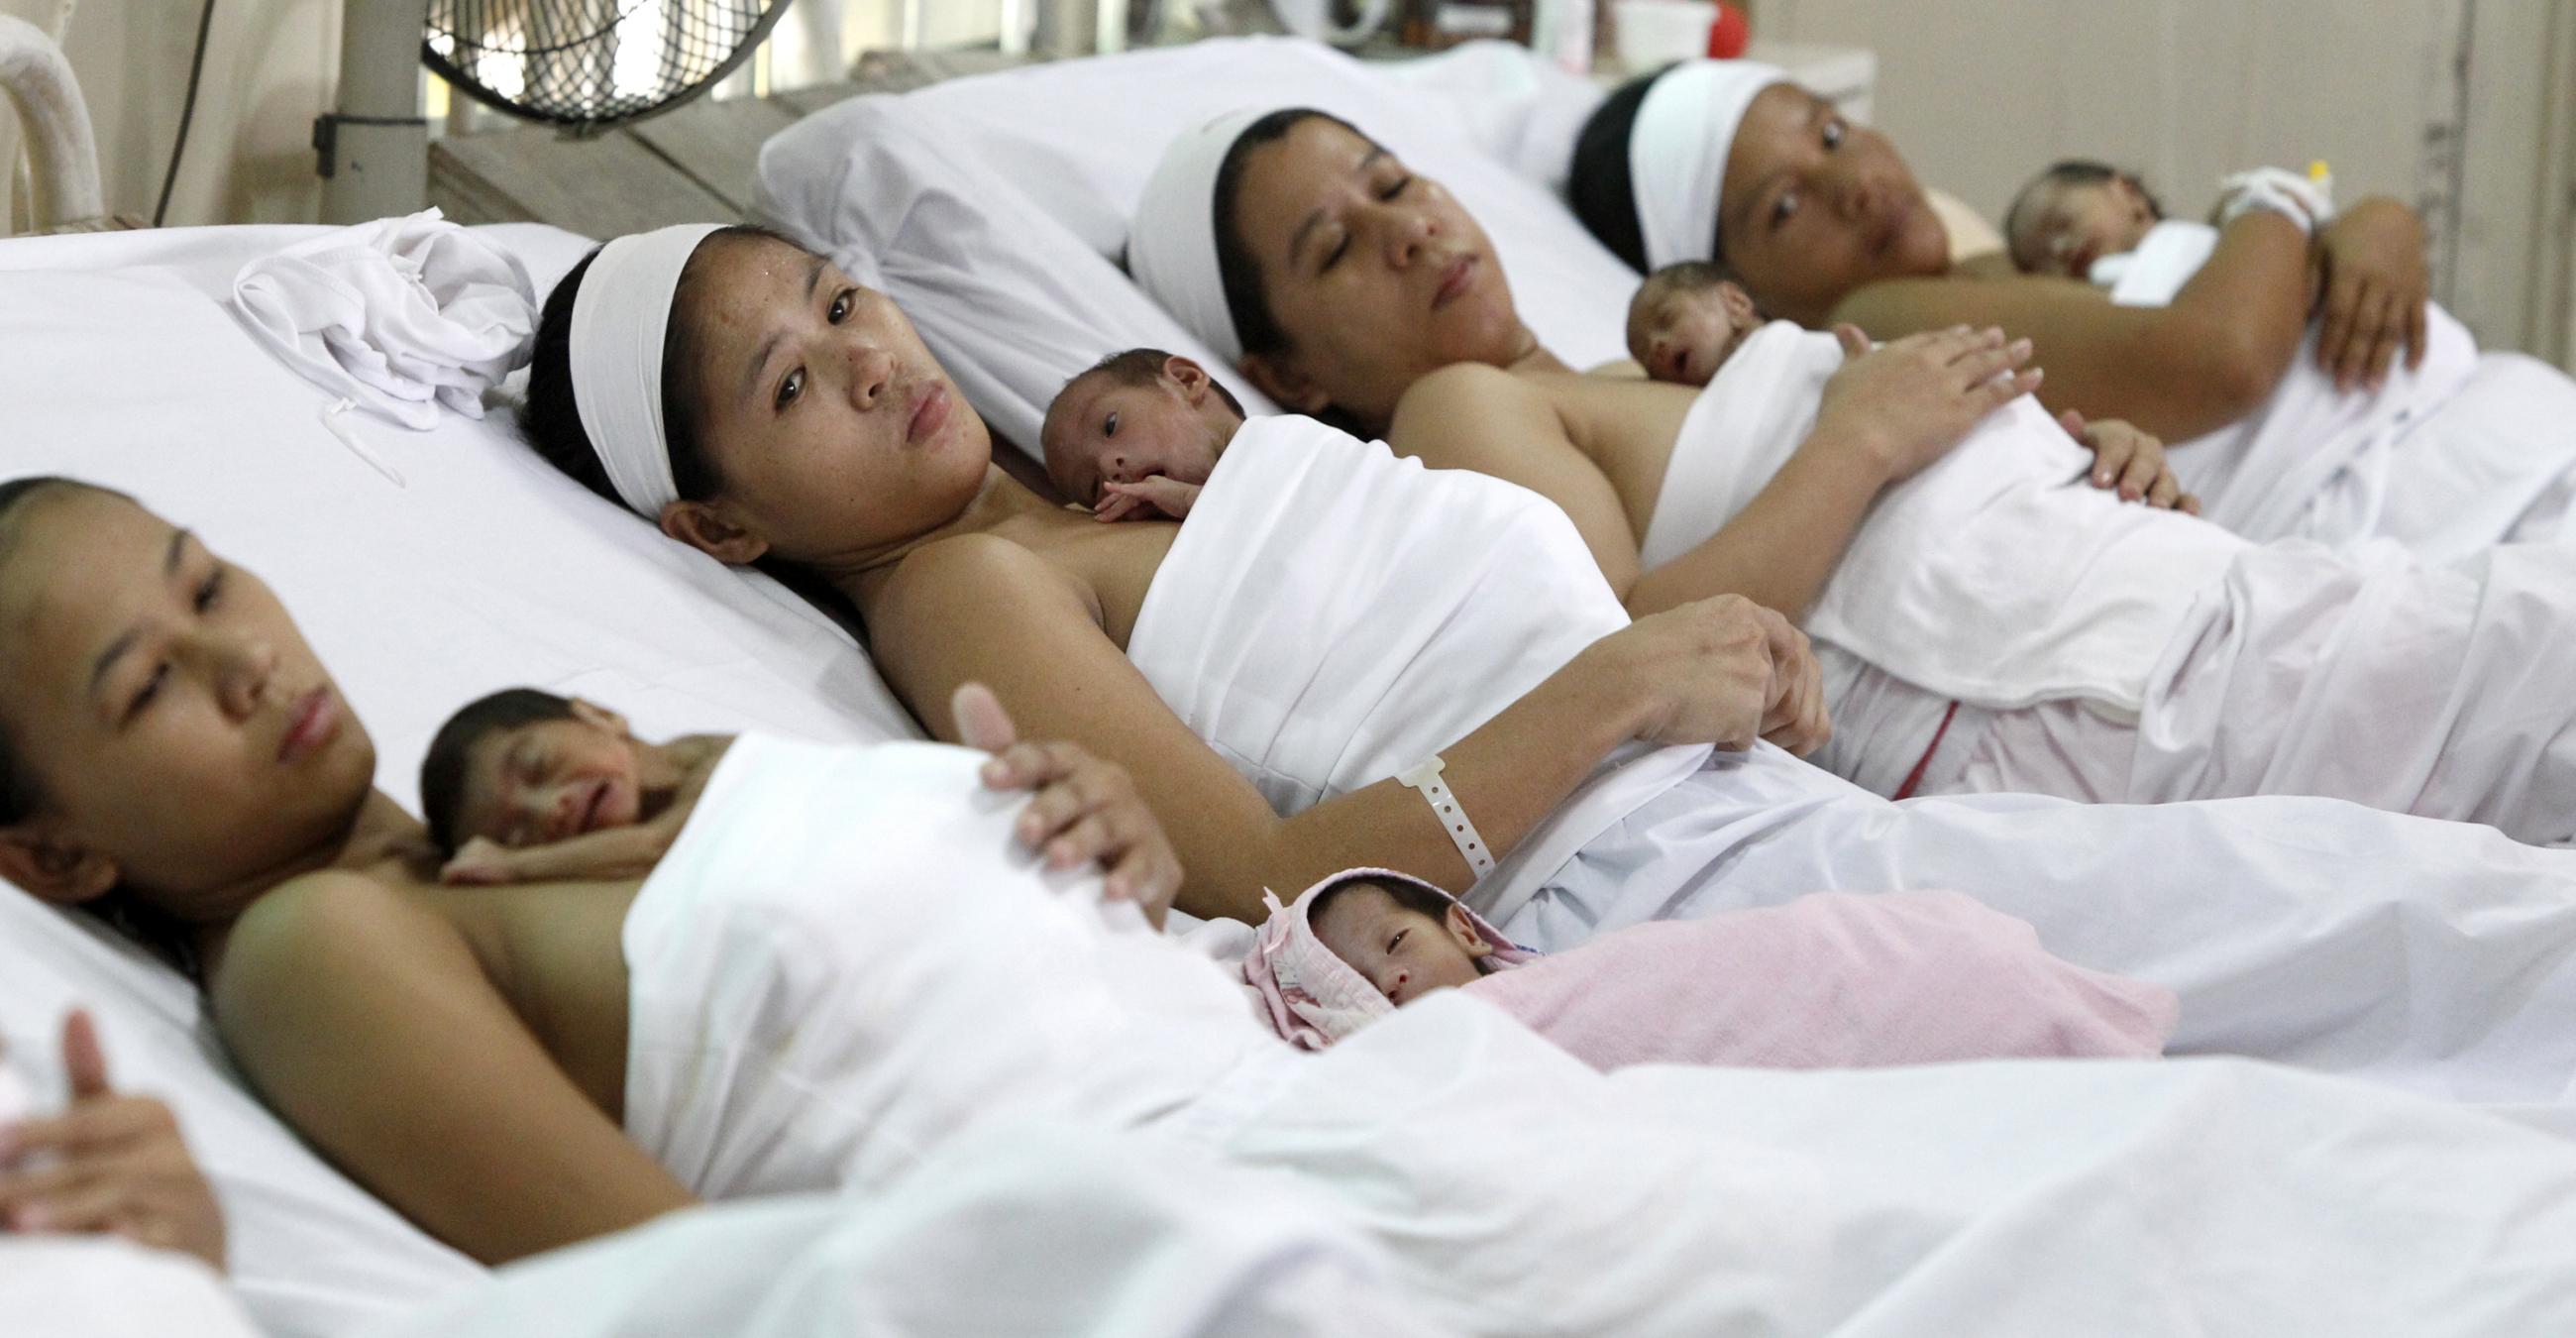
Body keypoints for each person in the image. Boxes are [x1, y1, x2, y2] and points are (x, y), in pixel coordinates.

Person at [516, 223, 2576, 1112]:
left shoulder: (1099, 502)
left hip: (1733, 803)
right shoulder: (953, 602)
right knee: (2364, 937)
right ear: (722, 524)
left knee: (2360, 931)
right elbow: (1254, 870)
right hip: (1637, 872)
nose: (875, 356)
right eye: (798, 380)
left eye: (846, 300)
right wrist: (1620, 690)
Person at [1127, 105, 2573, 837]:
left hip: (2149, 620)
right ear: (1290, 377)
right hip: (2075, 696)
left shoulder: (1625, 369)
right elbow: (1628, 658)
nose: (1406, 226)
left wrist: (2080, 453)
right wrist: (1864, 437)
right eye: (1335, 246)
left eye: (1390, 178)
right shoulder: (1461, 407)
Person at [1567, 58, 2576, 561]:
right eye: (1782, 208)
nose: (1854, 187)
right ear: (1734, 291)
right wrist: (2287, 198)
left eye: (1830, 134)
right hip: (2464, 518)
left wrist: (2374, 221)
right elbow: (2218, 356)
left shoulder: (2020, 258)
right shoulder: (1880, 320)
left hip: (2500, 461)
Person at [1242, 867, 2174, 1067]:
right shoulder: (1474, 1050)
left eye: (1398, 948)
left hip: (1856, 957)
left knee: (1861, 955)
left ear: (1468, 929)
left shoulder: (1560, 981)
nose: (1393, 983)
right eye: (1368, 986)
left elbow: (1719, 978)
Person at [415, 688, 730, 888]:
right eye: (517, 836)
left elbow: (656, 846)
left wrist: (513, 865)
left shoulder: (717, 759)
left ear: (599, 716)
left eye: (537, 765)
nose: (552, 806)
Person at [1040, 347, 1244, 521]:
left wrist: (1189, 500)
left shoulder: (1274, 439)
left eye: (1111, 426)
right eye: (1095, 486)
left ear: (1186, 380)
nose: (1107, 466)